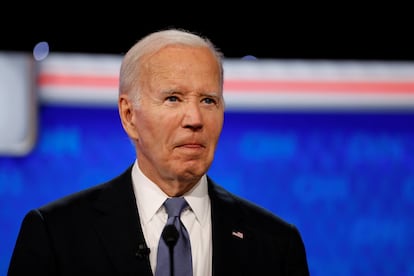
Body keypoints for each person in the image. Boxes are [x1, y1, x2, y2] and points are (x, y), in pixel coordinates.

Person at [8, 28, 310, 275]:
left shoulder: (276, 244)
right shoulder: (55, 235)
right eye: (173, 99)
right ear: (129, 116)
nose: (195, 119)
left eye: (208, 101)